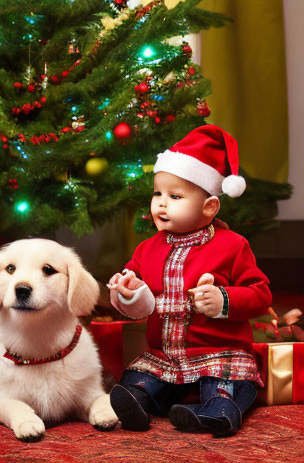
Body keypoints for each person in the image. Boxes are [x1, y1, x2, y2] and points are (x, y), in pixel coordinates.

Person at [107, 125, 271, 437]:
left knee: (223, 386)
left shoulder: (233, 245)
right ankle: (137, 403)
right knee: (141, 380)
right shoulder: (147, 248)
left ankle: (216, 411)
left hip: (218, 352)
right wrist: (128, 292)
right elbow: (138, 299)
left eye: (175, 196)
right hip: (165, 358)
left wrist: (223, 299)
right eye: (157, 194)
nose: (161, 203)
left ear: (209, 207)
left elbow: (261, 294)